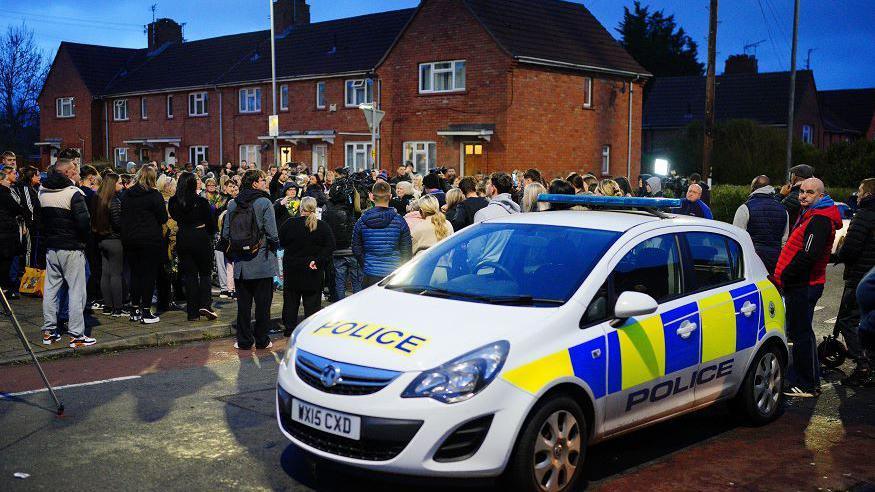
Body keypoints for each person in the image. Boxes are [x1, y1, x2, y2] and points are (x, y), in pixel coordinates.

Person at [774, 178, 843, 397]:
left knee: (801, 334)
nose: (803, 196)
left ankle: (806, 383)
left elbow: (808, 255)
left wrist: (785, 275)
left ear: (821, 196)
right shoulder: (812, 215)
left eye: (810, 192)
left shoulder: (820, 219)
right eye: (802, 191)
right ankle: (807, 380)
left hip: (803, 285)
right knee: (802, 332)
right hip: (802, 284)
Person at [38, 159, 94, 347]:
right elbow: (84, 223)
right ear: (69, 172)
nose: (78, 172)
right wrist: (84, 242)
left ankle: (49, 332)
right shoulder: (74, 193)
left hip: (51, 247)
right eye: (76, 169)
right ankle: (77, 335)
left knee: (51, 290)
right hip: (72, 247)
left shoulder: (42, 191)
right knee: (77, 291)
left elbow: (39, 221)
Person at [222, 169, 279, 350]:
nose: (265, 183)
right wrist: (274, 246)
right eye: (263, 180)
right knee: (263, 305)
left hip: (241, 263)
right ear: (255, 183)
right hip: (261, 259)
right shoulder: (264, 202)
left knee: (244, 306)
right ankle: (262, 340)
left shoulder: (233, 203)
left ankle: (244, 340)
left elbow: (226, 233)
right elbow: (272, 233)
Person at [834, 178, 875, 386]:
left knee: (847, 320)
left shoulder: (864, 216)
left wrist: (838, 255)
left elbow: (850, 249)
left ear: (867, 194)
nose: (857, 195)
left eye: (859, 191)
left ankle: (862, 364)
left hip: (859, 277)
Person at [279, 196, 335, 336]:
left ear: (300, 208)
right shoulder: (322, 226)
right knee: (312, 303)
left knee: (291, 302)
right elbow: (330, 246)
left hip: (293, 269)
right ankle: (310, 330)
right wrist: (318, 260)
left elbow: (281, 242)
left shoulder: (289, 223)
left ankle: (289, 329)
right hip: (312, 270)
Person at [121, 165, 168, 324]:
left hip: (130, 238)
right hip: (150, 239)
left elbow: (123, 216)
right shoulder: (154, 195)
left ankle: (134, 309)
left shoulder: (127, 194)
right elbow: (162, 218)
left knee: (135, 274)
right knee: (149, 275)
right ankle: (146, 311)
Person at [169, 172, 218, 321]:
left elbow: (175, 216)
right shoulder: (201, 202)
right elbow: (212, 224)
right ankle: (205, 304)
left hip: (183, 236)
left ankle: (192, 312)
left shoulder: (174, 201)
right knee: (204, 273)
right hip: (200, 236)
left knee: (190, 275)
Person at [352, 180, 412, 288]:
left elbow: (356, 248)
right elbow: (406, 250)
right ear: (390, 197)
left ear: (372, 197)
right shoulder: (400, 221)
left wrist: (365, 263)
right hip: (394, 272)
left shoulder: (361, 221)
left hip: (370, 272)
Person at [732, 175, 789, 274]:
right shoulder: (783, 209)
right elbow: (784, 239)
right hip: (776, 258)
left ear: (753, 188)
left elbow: (737, 237)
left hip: (753, 258)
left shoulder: (745, 208)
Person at [91, 173, 125, 316]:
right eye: (120, 183)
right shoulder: (115, 201)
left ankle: (107, 306)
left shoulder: (97, 199)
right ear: (113, 184)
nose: (122, 185)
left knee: (105, 274)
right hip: (114, 240)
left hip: (100, 239)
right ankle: (117, 307)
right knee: (116, 274)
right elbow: (118, 223)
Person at [323, 179, 362, 300]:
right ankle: (358, 308)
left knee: (339, 283)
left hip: (336, 251)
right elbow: (359, 211)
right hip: (352, 250)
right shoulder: (352, 207)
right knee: (357, 283)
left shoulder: (327, 207)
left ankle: (340, 307)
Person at [0, 163, 24, 299]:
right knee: (5, 262)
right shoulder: (4, 193)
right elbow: (17, 208)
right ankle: (4, 289)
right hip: (6, 233)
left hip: (5, 231)